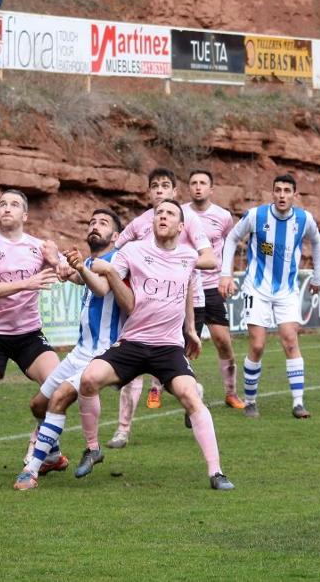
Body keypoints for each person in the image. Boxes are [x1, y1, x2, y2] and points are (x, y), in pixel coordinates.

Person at [77, 200, 235, 491]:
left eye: (170, 213)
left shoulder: (188, 257)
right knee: (88, 379)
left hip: (168, 348)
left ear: (181, 226)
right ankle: (92, 448)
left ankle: (216, 472)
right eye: (159, 213)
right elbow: (103, 286)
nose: (162, 216)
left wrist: (190, 329)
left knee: (191, 397)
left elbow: (187, 288)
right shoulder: (132, 251)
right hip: (132, 342)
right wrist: (90, 270)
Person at [105, 167, 217, 445]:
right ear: (148, 192)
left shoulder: (187, 220)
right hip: (142, 302)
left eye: (165, 186)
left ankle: (190, 392)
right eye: (154, 186)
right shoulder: (140, 223)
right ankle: (122, 429)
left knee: (170, 375)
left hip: (185, 301)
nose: (159, 191)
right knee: (131, 370)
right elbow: (115, 250)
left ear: (175, 191)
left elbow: (210, 258)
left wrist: (175, 261)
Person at [14, 209, 124, 490]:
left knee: (60, 398)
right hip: (79, 352)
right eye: (92, 222)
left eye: (103, 223)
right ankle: (51, 455)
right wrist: (63, 263)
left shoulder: (117, 262)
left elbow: (100, 288)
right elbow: (78, 277)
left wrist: (79, 268)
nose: (95, 227)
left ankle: (31, 470)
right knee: (38, 405)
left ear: (116, 235)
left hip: (103, 354)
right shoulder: (90, 261)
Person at [0, 189, 64, 480]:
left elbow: (69, 273)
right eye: (2, 204)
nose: (7, 208)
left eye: (14, 204)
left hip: (29, 334)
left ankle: (38, 439)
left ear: (25, 215)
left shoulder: (39, 247)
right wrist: (26, 283)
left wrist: (60, 260)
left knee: (59, 387)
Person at [220, 173, 320, 420]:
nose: (282, 195)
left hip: (286, 290)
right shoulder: (256, 216)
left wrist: (318, 277)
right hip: (256, 288)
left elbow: (318, 243)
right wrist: (226, 274)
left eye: (287, 191)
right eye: (278, 190)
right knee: (257, 345)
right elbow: (233, 238)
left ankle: (298, 403)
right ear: (272, 192)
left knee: (290, 340)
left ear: (295, 195)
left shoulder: (303, 219)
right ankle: (251, 401)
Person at [186, 169, 244, 409]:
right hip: (187, 287)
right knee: (184, 343)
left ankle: (231, 393)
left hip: (211, 286)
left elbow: (230, 244)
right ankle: (175, 389)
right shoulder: (180, 213)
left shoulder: (223, 216)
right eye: (194, 183)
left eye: (203, 183)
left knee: (223, 341)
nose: (198, 187)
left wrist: (226, 275)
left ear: (211, 189)